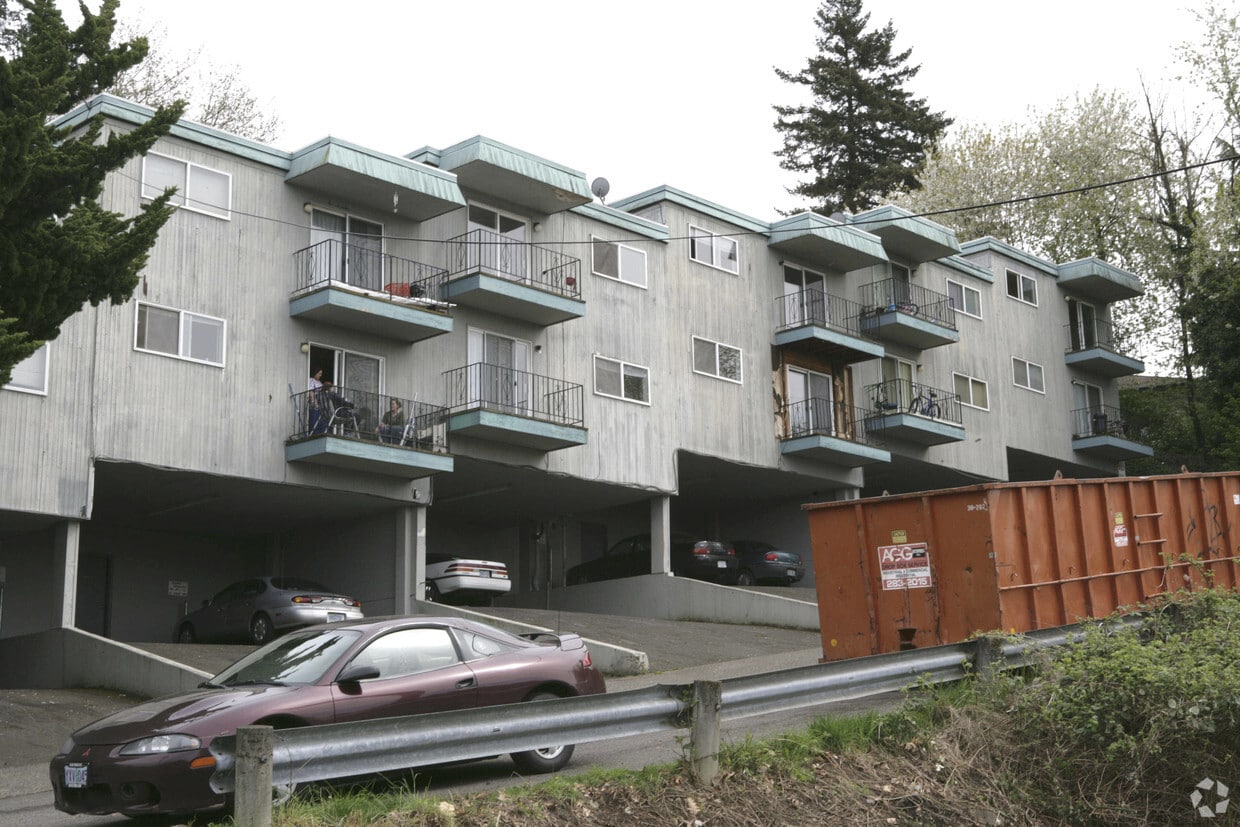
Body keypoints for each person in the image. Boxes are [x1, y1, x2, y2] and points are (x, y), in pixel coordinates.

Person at [306, 369, 325, 434]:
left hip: (320, 403)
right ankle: (314, 433)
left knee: (321, 419)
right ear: (315, 373)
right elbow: (311, 391)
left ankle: (321, 432)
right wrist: (313, 402)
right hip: (315, 403)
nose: (320, 375)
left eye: (321, 373)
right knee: (314, 418)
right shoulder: (311, 380)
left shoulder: (319, 382)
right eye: (319, 373)